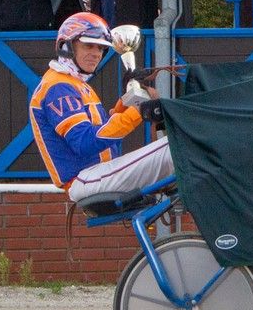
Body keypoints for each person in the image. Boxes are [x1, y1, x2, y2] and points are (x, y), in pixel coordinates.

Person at [29, 12, 172, 204]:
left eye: (100, 48)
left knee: (175, 147)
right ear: (66, 46)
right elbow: (84, 142)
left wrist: (127, 101)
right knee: (173, 146)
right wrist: (139, 110)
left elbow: (105, 132)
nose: (96, 53)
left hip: (97, 175)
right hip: (85, 179)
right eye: (88, 45)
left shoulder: (74, 83)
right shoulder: (58, 87)